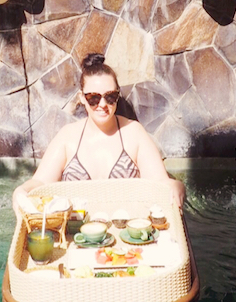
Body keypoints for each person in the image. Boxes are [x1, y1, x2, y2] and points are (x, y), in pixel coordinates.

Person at [12, 53, 185, 211]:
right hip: (78, 233)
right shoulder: (67, 137)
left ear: (117, 96)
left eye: (110, 97)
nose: (102, 104)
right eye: (94, 97)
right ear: (82, 98)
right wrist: (22, 190)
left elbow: (160, 182)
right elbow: (41, 182)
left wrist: (176, 186)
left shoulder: (134, 133)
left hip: (125, 236)